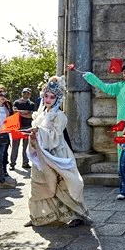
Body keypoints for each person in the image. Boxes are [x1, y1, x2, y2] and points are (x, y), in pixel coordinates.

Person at [25, 77, 89, 227]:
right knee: (38, 183)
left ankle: (75, 215)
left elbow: (55, 136)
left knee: (63, 183)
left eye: (52, 97)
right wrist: (34, 135)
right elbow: (39, 131)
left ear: (57, 98)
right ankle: (38, 216)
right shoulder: (40, 113)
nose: (48, 99)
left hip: (57, 152)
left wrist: (39, 131)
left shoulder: (60, 116)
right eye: (46, 96)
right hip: (41, 153)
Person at [83, 64, 125, 158]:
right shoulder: (119, 86)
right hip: (122, 121)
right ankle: (121, 170)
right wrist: (91, 77)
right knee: (122, 147)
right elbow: (104, 87)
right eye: (123, 72)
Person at [11, 88, 37, 170]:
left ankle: (25, 163)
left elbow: (31, 115)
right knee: (15, 146)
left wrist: (20, 112)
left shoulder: (31, 104)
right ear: (22, 93)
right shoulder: (16, 102)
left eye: (28, 93)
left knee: (26, 147)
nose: (26, 94)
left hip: (28, 127)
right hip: (17, 127)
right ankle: (12, 163)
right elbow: (14, 113)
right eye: (25, 93)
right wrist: (26, 112)